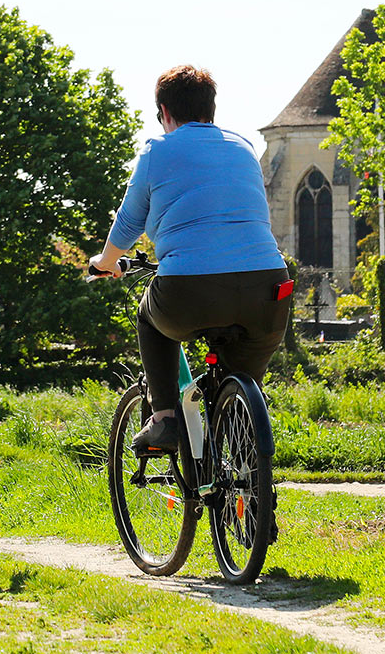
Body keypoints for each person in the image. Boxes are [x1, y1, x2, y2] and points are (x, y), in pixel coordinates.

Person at [89, 65, 290, 454]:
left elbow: (130, 221)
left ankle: (164, 419)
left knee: (149, 318)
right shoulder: (244, 148)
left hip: (189, 289)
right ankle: (253, 498)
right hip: (268, 288)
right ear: (211, 109)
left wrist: (105, 261)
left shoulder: (157, 150)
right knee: (240, 395)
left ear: (164, 112)